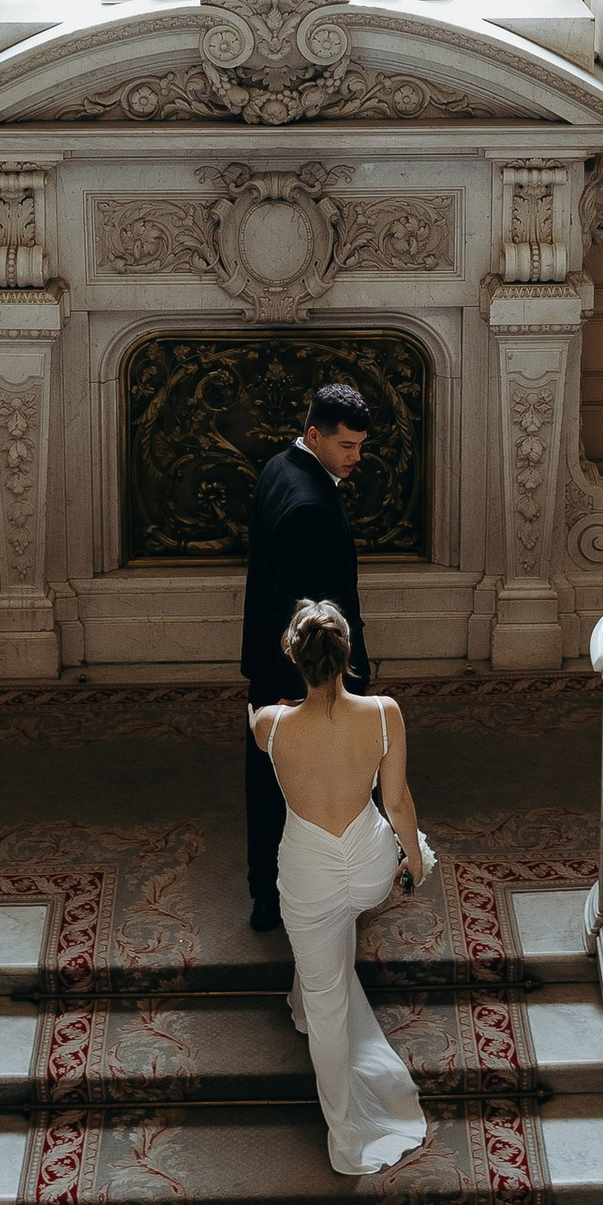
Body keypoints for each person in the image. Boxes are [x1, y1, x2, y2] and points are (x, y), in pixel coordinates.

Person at [250, 596, 429, 1177]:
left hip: (309, 877)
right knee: (337, 927)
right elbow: (397, 802)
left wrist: (269, 708)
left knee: (328, 1001)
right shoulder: (385, 713)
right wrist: (415, 860)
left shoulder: (269, 726)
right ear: (348, 654)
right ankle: (312, 984)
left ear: (295, 659)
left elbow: (260, 719)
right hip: (373, 871)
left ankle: (347, 1135)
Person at [239, 376, 372, 929]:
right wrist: (335, 682)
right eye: (346, 446)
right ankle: (280, 899)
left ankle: (267, 893)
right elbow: (308, 612)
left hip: (271, 663)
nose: (355, 459)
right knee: (299, 784)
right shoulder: (309, 505)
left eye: (361, 447)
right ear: (314, 435)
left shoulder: (278, 466)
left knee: (269, 777)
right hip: (302, 672)